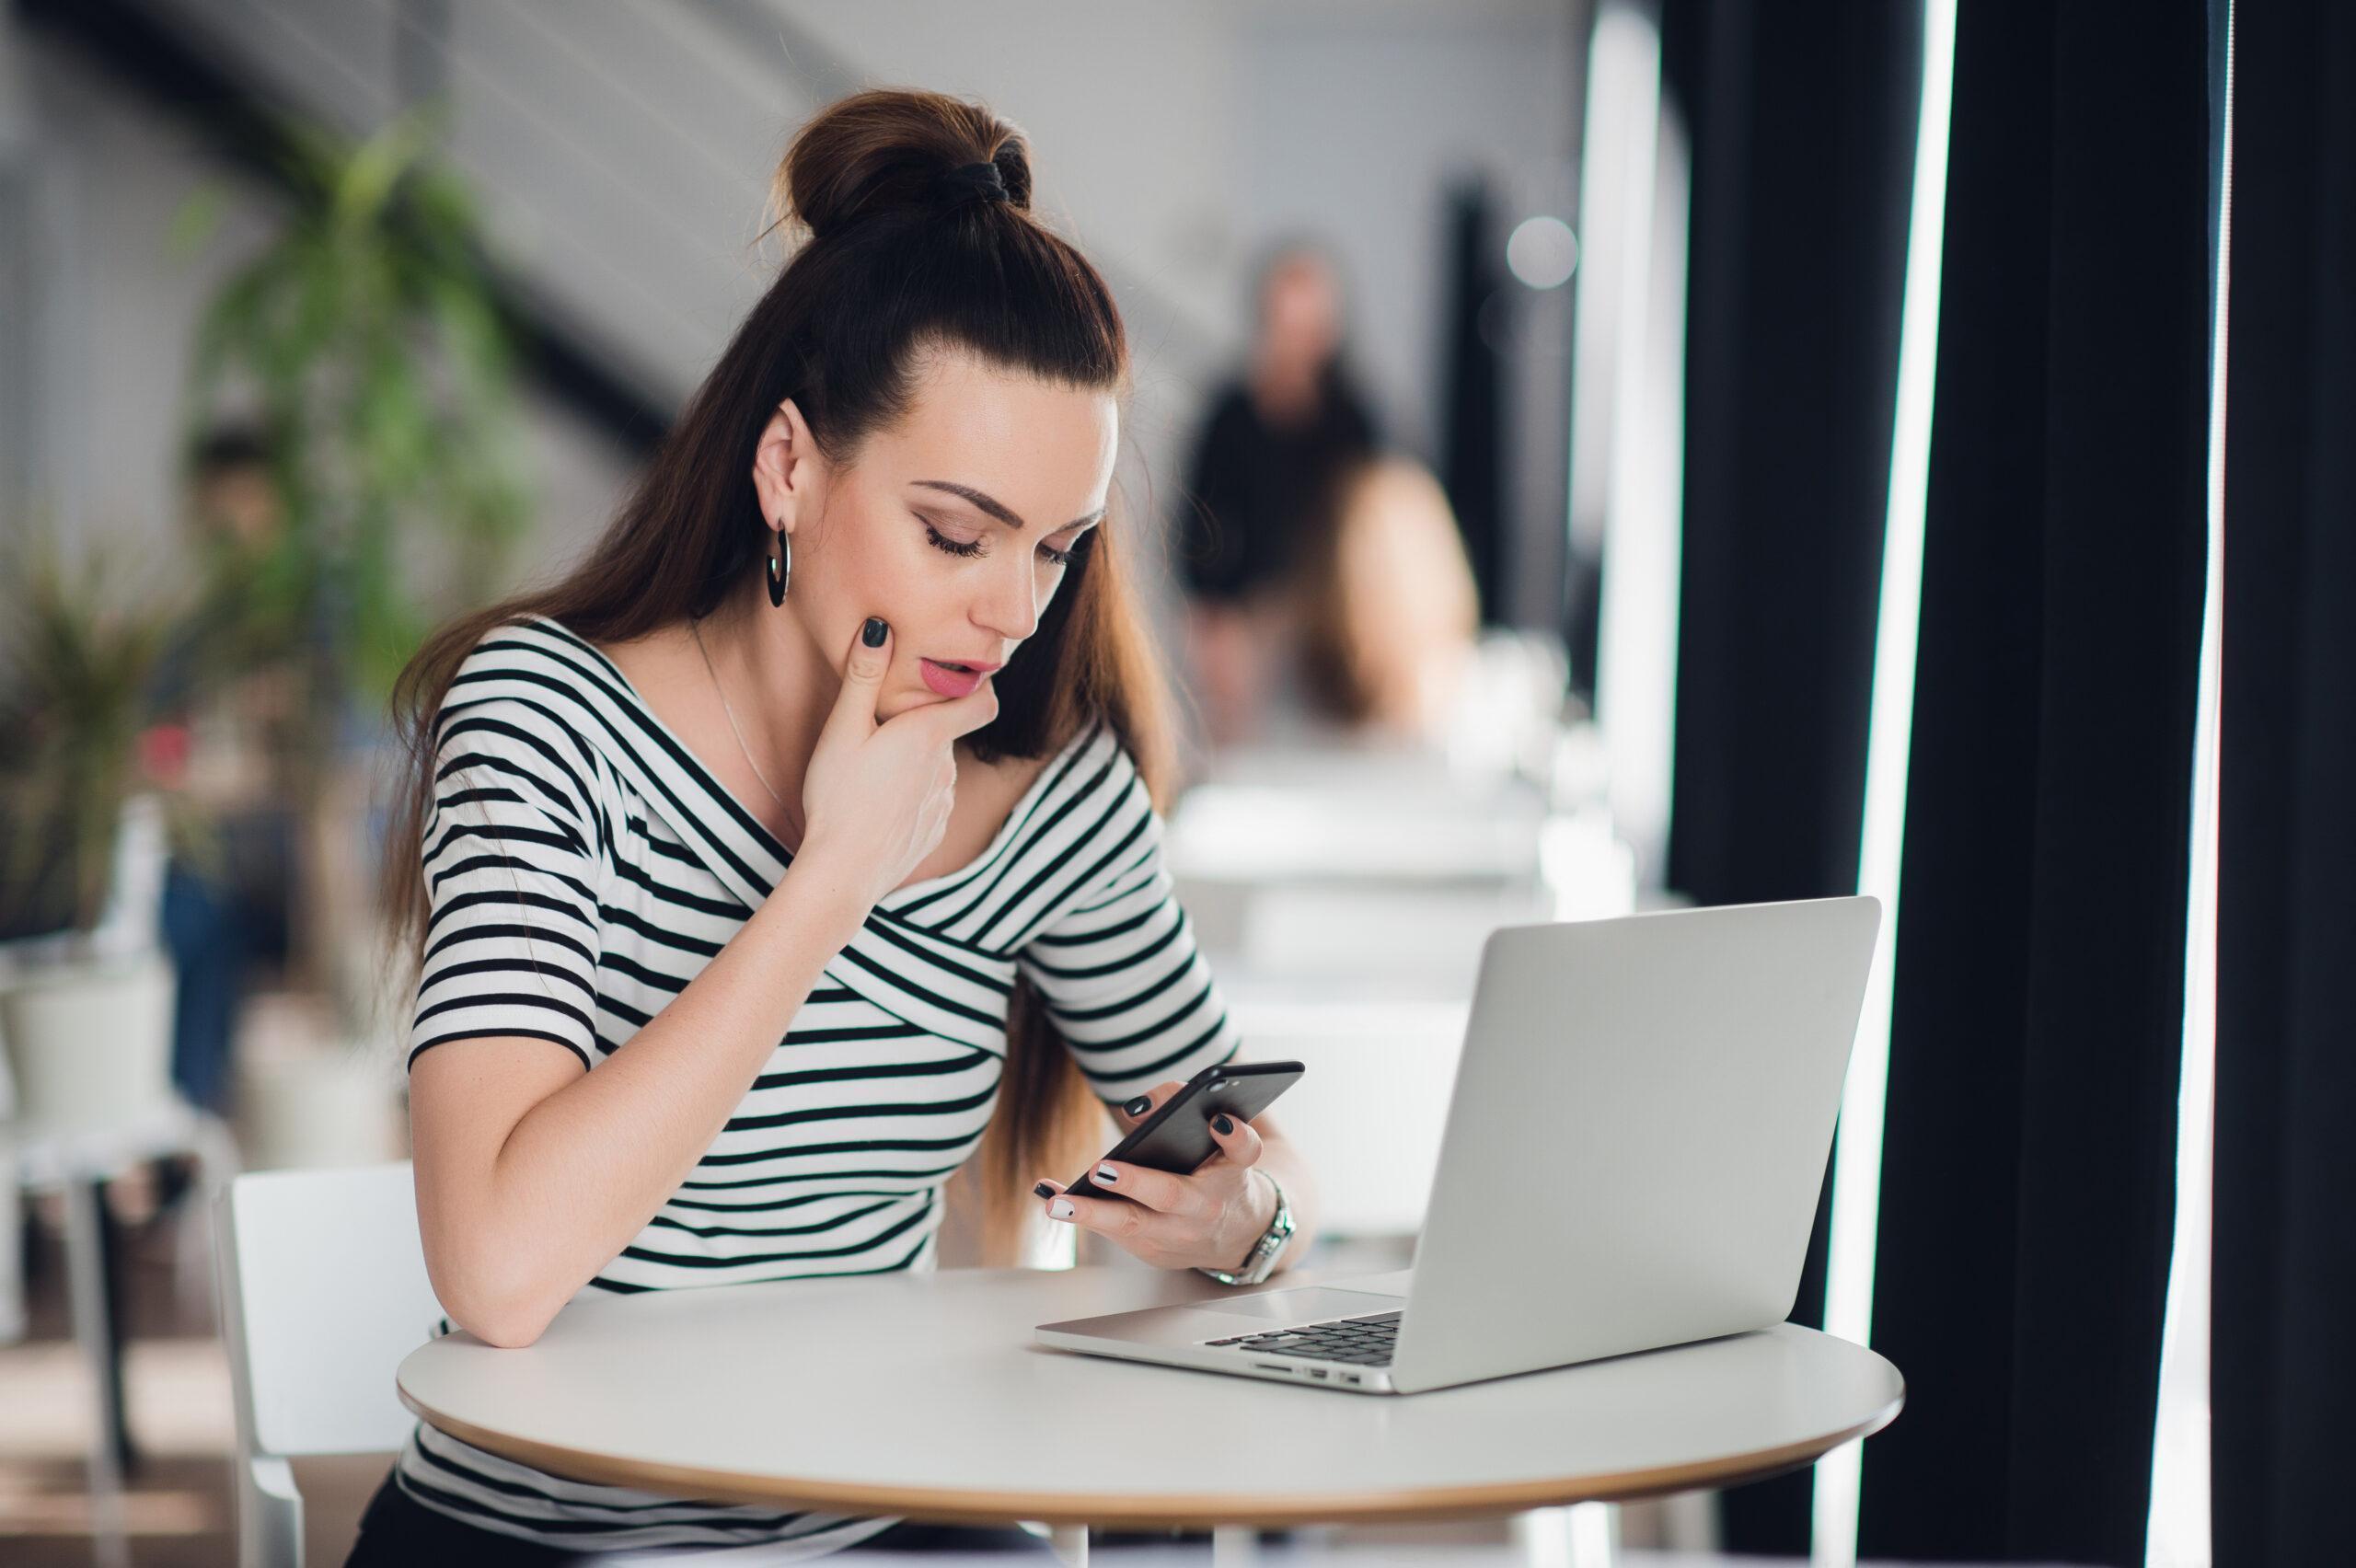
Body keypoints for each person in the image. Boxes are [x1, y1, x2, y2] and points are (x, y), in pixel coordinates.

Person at [347, 89, 1322, 1563]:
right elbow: (496, 1271)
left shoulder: (1049, 797)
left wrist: (1252, 1221)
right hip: (550, 1542)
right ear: (790, 466)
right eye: (955, 533)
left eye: (1056, 550)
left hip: (875, 1531)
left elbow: (1262, 1159)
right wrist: (833, 880)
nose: (1012, 609)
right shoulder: (549, 716)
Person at [1174, 244, 1380, 745]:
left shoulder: (1353, 420)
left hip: (1335, 605)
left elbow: (1373, 529)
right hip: (1248, 609)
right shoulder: (1231, 413)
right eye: (1286, 324)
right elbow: (1199, 524)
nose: (1297, 341)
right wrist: (1213, 612)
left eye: (1310, 326)